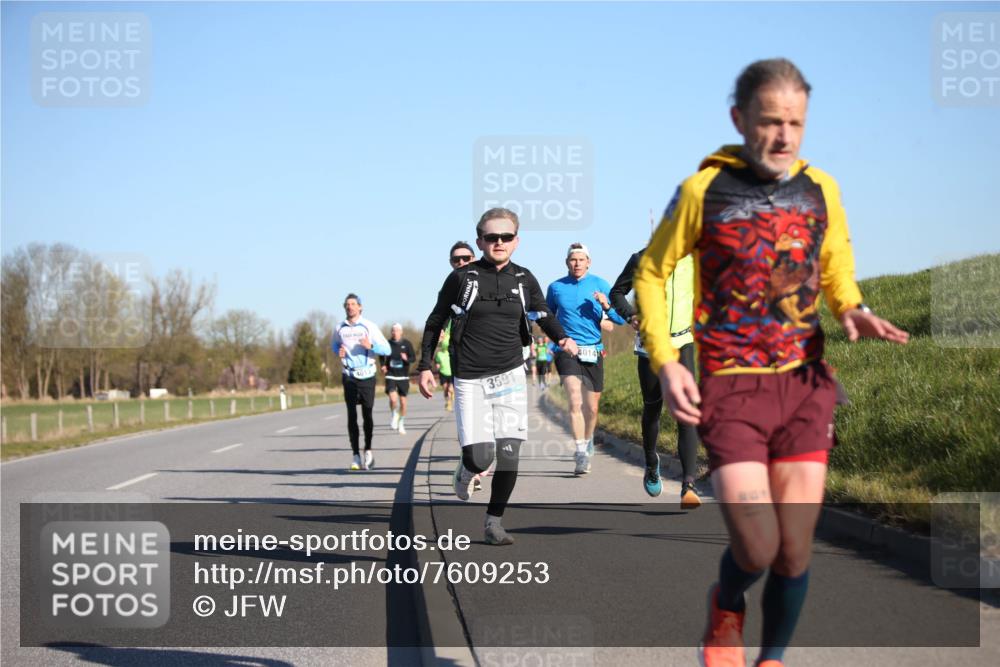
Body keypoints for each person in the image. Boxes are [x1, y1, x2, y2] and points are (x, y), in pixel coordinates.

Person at [634, 58, 909, 667]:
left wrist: (851, 306)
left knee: (795, 551)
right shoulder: (702, 192)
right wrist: (666, 360)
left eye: (796, 123)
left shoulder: (821, 187)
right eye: (770, 122)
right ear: (739, 119)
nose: (784, 137)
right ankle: (727, 602)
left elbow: (834, 262)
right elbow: (652, 276)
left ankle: (772, 658)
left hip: (805, 386)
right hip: (732, 388)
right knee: (757, 547)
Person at [418, 208, 577, 545]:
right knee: (480, 457)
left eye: (506, 237)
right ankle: (465, 470)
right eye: (492, 237)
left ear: (516, 241)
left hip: (510, 377)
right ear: (480, 241)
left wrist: (562, 336)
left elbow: (542, 314)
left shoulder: (524, 279)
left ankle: (494, 522)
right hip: (471, 379)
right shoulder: (463, 279)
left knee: (508, 455)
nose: (499, 242)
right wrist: (425, 365)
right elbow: (435, 321)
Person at [609, 249, 701, 507]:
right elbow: (617, 292)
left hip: (683, 342)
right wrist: (630, 315)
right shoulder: (641, 259)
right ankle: (651, 461)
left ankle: (689, 485)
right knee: (653, 408)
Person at [546, 243, 626, 475]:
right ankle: (580, 452)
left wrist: (605, 305)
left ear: (589, 262)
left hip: (593, 351)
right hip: (567, 351)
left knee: (591, 408)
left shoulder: (600, 284)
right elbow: (548, 318)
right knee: (575, 400)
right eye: (573, 260)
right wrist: (558, 340)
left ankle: (588, 438)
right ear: (567, 262)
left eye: (582, 260)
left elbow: (620, 320)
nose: (577, 263)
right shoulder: (556, 287)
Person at [332, 293, 391, 471]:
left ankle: (368, 450)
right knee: (352, 415)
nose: (350, 307)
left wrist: (371, 346)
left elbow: (387, 349)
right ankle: (355, 455)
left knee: (367, 414)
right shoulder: (339, 328)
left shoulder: (369, 326)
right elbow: (334, 345)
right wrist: (339, 351)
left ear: (360, 307)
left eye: (353, 304)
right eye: (347, 304)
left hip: (367, 376)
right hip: (348, 375)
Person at [437, 242, 476, 413]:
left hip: (486, 347)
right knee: (465, 401)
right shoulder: (447, 288)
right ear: (450, 262)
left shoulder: (487, 280)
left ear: (473, 259)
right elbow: (440, 316)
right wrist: (441, 328)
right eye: (456, 259)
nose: (461, 262)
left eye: (465, 258)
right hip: (459, 349)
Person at [381, 323, 415, 435]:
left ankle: (401, 423)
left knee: (403, 403)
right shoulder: (387, 343)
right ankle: (394, 414)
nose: (394, 332)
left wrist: (406, 359)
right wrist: (383, 365)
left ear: (401, 332)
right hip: (391, 374)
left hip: (403, 376)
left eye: (396, 330)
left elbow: (413, 358)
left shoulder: (407, 344)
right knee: (393, 399)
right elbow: (381, 354)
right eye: (392, 330)